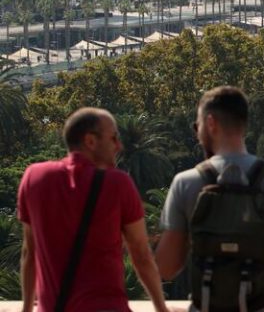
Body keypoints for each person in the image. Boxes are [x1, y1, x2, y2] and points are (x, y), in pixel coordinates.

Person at [155, 85, 264, 311]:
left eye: (197, 126)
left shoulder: (186, 182)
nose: (198, 133)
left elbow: (166, 267)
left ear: (211, 123)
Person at [17, 107, 172, 312]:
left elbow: (29, 252)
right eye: (114, 138)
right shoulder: (118, 183)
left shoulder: (34, 177)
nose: (119, 146)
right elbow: (141, 255)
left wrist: (27, 308)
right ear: (90, 141)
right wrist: (161, 308)